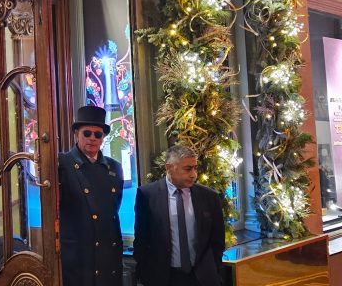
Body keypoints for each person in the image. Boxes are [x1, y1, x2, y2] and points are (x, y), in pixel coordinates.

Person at [134, 145, 225, 286]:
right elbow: (141, 239)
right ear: (169, 168)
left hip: (202, 277)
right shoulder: (147, 195)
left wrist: (214, 270)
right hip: (163, 277)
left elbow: (217, 240)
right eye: (188, 169)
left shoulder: (209, 197)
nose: (194, 174)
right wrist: (144, 273)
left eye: (195, 168)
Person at [58, 105, 124, 286]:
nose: (92, 139)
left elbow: (113, 209)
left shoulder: (114, 167)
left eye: (98, 134)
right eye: (87, 133)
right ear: (76, 134)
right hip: (78, 256)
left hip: (107, 256)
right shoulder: (62, 163)